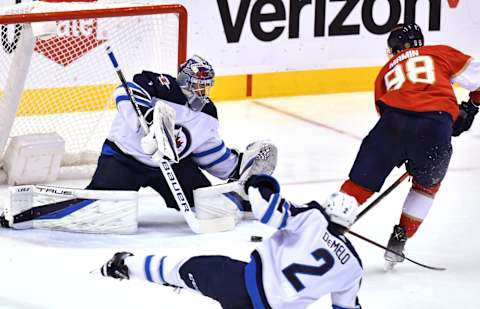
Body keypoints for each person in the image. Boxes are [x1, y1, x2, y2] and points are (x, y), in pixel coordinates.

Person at [332, 23, 480, 268]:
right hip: (436, 124)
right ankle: (401, 237)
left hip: (392, 124)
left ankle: (326, 227)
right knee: (426, 186)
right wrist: (471, 109)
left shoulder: (385, 71)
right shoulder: (440, 53)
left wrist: (404, 146)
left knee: (358, 185)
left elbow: (383, 110)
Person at [99, 175, 363, 309]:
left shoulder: (313, 217)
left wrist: (261, 183)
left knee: (186, 268)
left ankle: (124, 265)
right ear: (349, 224)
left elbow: (266, 210)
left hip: (240, 284)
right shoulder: (353, 267)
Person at [86, 55, 276, 214]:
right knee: (101, 209)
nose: (202, 92)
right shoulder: (161, 85)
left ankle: (244, 197)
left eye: (206, 87)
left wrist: (237, 169)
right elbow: (126, 91)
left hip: (172, 166)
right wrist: (147, 116)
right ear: (185, 81)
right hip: (123, 159)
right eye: (198, 85)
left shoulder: (207, 114)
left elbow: (208, 151)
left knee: (206, 205)